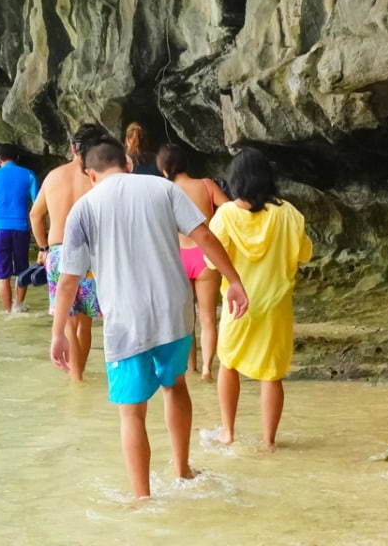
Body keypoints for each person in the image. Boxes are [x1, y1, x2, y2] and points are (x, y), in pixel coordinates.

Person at [50, 139, 249, 499]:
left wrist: (58, 333)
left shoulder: (84, 208)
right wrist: (234, 281)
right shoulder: (161, 188)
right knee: (175, 386)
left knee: (131, 413)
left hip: (125, 322)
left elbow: (68, 281)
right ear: (126, 163)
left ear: (91, 174)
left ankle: (142, 498)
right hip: (173, 310)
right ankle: (182, 470)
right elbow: (203, 234)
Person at [209, 148, 312, 448]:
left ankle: (228, 432)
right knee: (271, 373)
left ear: (235, 180)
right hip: (276, 306)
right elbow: (304, 254)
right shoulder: (289, 214)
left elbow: (213, 261)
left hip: (237, 304)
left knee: (228, 364)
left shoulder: (226, 215)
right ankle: (269, 441)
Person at [28, 123, 110, 381]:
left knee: (68, 321)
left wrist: (42, 247)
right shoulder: (96, 177)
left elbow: (35, 214)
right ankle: (79, 375)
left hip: (57, 252)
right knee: (84, 322)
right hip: (88, 252)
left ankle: (75, 380)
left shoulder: (53, 176)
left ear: (73, 147)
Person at [157, 143, 231, 381]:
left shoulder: (164, 190)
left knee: (184, 317)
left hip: (177, 257)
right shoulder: (206, 185)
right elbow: (231, 211)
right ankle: (208, 370)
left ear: (164, 167)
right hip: (205, 255)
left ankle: (191, 367)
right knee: (207, 317)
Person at [0, 144, 39, 312]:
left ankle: (7, 312)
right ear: (17, 159)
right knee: (22, 271)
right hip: (21, 228)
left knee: (3, 276)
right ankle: (18, 306)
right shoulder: (28, 174)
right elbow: (38, 203)